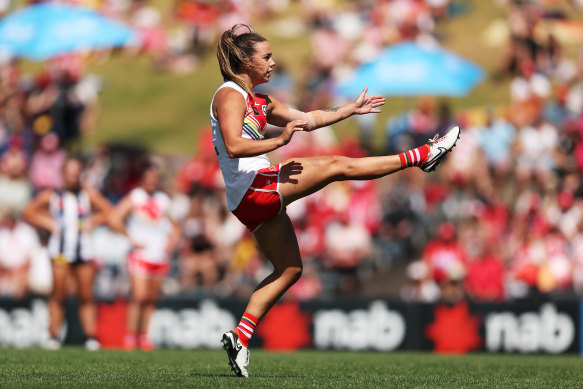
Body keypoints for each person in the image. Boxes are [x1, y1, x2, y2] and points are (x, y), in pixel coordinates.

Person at [212, 24, 460, 377]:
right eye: (266, 57)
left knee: (290, 269)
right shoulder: (230, 95)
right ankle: (422, 155)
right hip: (253, 185)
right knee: (337, 166)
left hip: (251, 195)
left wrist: (350, 110)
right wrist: (278, 142)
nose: (273, 62)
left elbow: (308, 120)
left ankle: (240, 336)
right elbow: (235, 145)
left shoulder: (262, 102)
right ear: (245, 61)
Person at [22, 157, 112, 350]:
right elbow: (29, 211)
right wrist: (48, 223)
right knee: (58, 294)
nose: (72, 176)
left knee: (86, 295)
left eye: (76, 172)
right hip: (60, 250)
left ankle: (90, 337)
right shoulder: (52, 195)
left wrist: (93, 222)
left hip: (83, 250)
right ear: (63, 174)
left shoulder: (87, 194)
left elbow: (107, 210)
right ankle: (53, 335)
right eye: (69, 171)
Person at [109, 161, 181, 351]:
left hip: (159, 255)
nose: (152, 182)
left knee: (150, 298)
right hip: (140, 253)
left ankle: (145, 336)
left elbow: (175, 226)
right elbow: (115, 218)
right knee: (139, 296)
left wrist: (170, 244)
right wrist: (130, 239)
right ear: (141, 179)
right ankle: (131, 335)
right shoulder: (135, 197)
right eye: (148, 178)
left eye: (154, 179)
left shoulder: (163, 200)